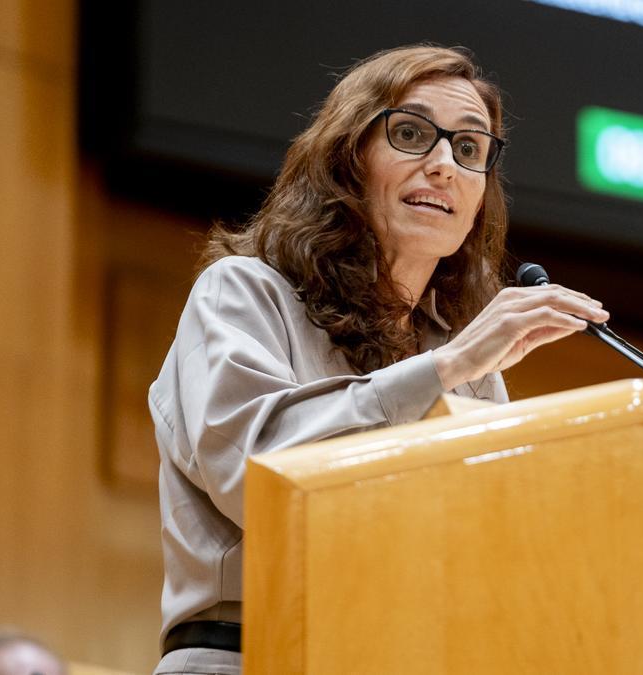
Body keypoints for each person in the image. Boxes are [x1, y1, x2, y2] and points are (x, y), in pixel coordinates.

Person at [148, 44, 608, 674]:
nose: (445, 165)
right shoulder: (243, 291)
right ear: (348, 158)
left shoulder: (461, 359)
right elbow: (262, 480)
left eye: (470, 149)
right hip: (250, 655)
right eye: (413, 134)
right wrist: (448, 367)